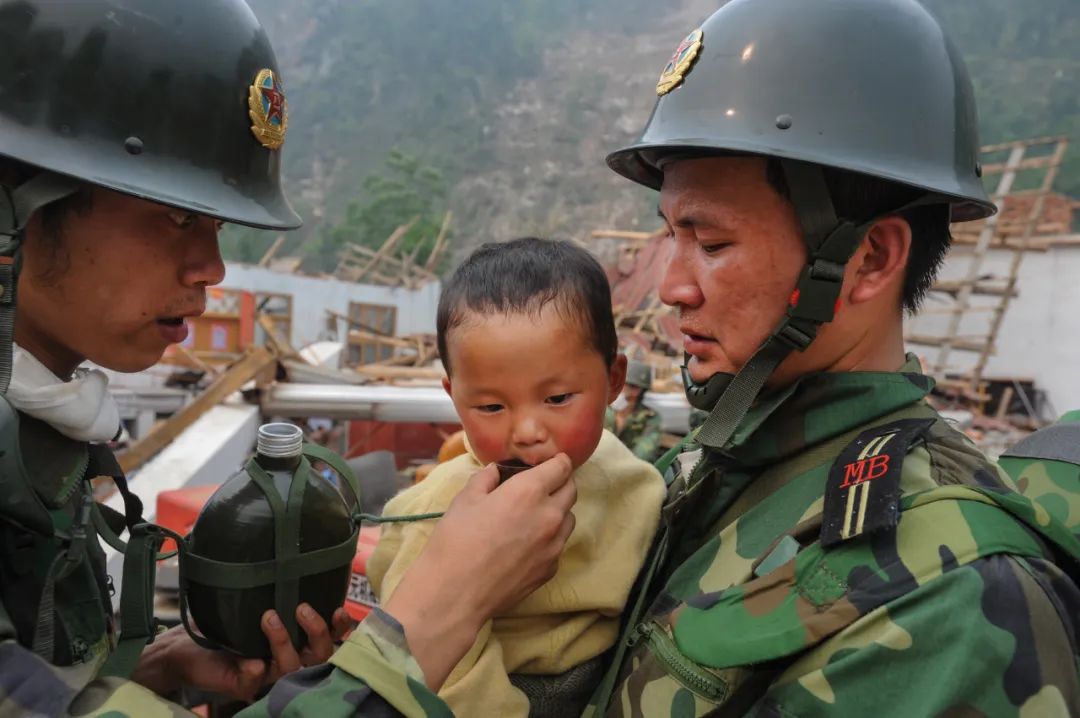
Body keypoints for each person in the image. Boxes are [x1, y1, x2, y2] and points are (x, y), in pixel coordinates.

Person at [243, 0, 1080, 715]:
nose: (670, 286)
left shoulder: (953, 601)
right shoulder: (721, 465)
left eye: (711, 241)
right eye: (669, 234)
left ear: (866, 260)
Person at [0, 0, 576, 715]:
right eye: (177, 218)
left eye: (214, 227)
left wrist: (147, 672)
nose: (211, 267)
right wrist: (439, 612)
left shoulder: (33, 437)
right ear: (16, 205)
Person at [368, 238, 666, 718]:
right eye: (490, 407)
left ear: (613, 379)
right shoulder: (442, 510)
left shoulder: (637, 481)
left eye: (558, 399)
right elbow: (420, 652)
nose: (527, 433)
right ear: (454, 395)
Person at [604, 360, 662, 461]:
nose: (627, 391)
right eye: (623, 385)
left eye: (634, 387)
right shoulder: (601, 410)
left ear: (642, 391)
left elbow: (646, 449)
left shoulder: (650, 417)